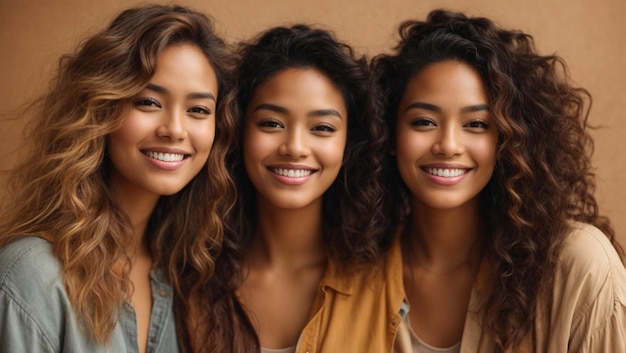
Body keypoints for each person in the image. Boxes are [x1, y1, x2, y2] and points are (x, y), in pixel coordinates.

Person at [372, 9, 626, 353]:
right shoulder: (352, 269)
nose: (448, 144)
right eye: (423, 121)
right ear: (389, 135)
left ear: (507, 139)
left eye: (476, 124)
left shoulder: (578, 268)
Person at [0, 4, 236, 353]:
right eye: (148, 102)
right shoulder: (33, 276)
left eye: (198, 110)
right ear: (99, 110)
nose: (174, 128)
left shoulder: (186, 278)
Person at [186, 24, 400, 353]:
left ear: (349, 144)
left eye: (322, 128)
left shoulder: (387, 278)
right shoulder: (190, 272)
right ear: (238, 130)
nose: (295, 147)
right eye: (272, 123)